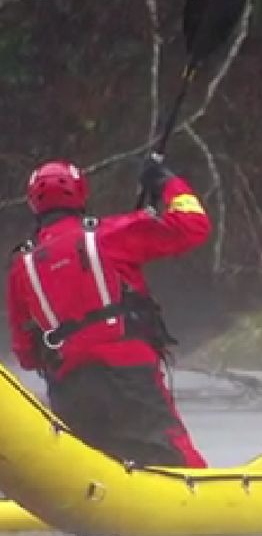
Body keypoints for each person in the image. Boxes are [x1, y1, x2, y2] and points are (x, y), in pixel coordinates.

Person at [6, 157, 210, 467]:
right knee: (176, 460)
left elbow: (26, 355)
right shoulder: (108, 234)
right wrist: (165, 182)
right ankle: (209, 513)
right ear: (80, 194)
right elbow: (194, 225)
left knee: (92, 468)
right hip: (130, 376)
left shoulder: (22, 267)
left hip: (72, 390)